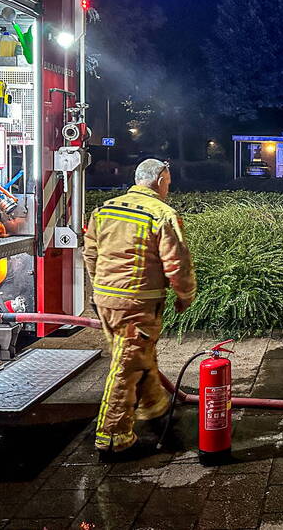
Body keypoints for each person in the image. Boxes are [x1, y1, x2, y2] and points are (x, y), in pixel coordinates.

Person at [83, 159, 196, 459]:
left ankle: (155, 407)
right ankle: (113, 436)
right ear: (159, 181)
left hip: (106, 301)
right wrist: (185, 295)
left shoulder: (104, 209)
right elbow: (177, 263)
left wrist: (101, 288)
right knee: (126, 367)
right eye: (168, 182)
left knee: (136, 355)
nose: (168, 188)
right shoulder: (161, 215)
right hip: (138, 304)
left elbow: (90, 253)